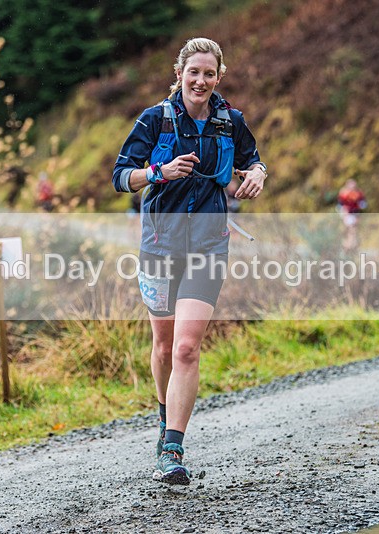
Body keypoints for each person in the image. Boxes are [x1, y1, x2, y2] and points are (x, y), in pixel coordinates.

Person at [112, 37, 266, 485]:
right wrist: (158, 172)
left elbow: (253, 161)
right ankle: (164, 419)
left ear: (219, 76)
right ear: (178, 74)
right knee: (163, 347)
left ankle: (173, 448)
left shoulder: (229, 121)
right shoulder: (154, 120)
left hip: (208, 246)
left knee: (186, 347)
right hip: (159, 247)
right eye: (193, 72)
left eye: (209, 73)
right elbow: (121, 176)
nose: (201, 80)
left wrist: (256, 174)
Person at [337, 179, 366, 252]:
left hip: (355, 213)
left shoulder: (359, 193)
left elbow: (362, 204)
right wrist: (343, 213)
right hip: (347, 213)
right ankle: (346, 245)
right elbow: (340, 204)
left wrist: (360, 208)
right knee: (348, 229)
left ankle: (351, 245)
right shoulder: (344, 193)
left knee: (353, 229)